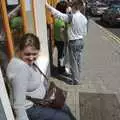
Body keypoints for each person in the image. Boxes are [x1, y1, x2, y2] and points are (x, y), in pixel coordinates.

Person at [6, 33, 71, 120]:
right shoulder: (20, 69)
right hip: (31, 108)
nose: (31, 58)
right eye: (27, 54)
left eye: (34, 54)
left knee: (66, 109)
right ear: (20, 51)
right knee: (64, 118)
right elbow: (18, 105)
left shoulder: (28, 61)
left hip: (43, 100)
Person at [46, 0, 88, 85]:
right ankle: (78, 76)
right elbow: (85, 32)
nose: (69, 8)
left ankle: (76, 80)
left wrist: (47, 6)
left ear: (74, 7)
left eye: (71, 6)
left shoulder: (72, 17)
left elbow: (59, 14)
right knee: (78, 60)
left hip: (74, 42)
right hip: (81, 41)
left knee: (73, 63)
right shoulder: (84, 18)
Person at [54, 1, 68, 73]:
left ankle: (61, 68)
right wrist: (65, 42)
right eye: (66, 8)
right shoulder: (62, 20)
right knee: (62, 56)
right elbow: (62, 33)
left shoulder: (55, 17)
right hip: (61, 41)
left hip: (56, 39)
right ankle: (61, 70)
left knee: (60, 55)